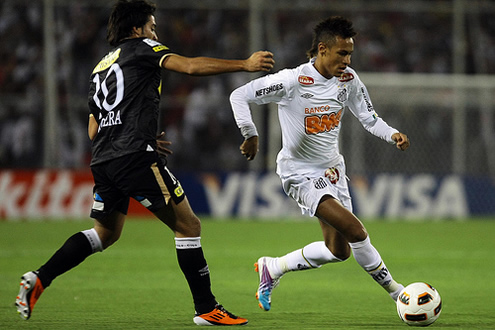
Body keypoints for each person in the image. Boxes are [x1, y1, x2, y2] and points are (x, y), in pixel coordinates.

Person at [15, 0, 274, 326]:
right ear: (137, 29)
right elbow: (191, 67)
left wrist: (135, 136)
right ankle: (206, 308)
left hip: (104, 160)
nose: (155, 31)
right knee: (188, 225)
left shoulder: (100, 67)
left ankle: (40, 277)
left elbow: (94, 128)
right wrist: (245, 64)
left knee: (105, 234)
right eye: (152, 26)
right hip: (134, 155)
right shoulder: (144, 47)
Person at [229, 16, 410, 312]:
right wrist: (250, 134)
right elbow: (239, 95)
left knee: (339, 251)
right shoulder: (291, 81)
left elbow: (368, 118)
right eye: (342, 53)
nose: (348, 60)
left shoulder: (348, 80)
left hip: (333, 170)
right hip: (299, 172)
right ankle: (398, 293)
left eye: (350, 53)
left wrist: (393, 135)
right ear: (322, 49)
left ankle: (272, 267)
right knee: (356, 231)